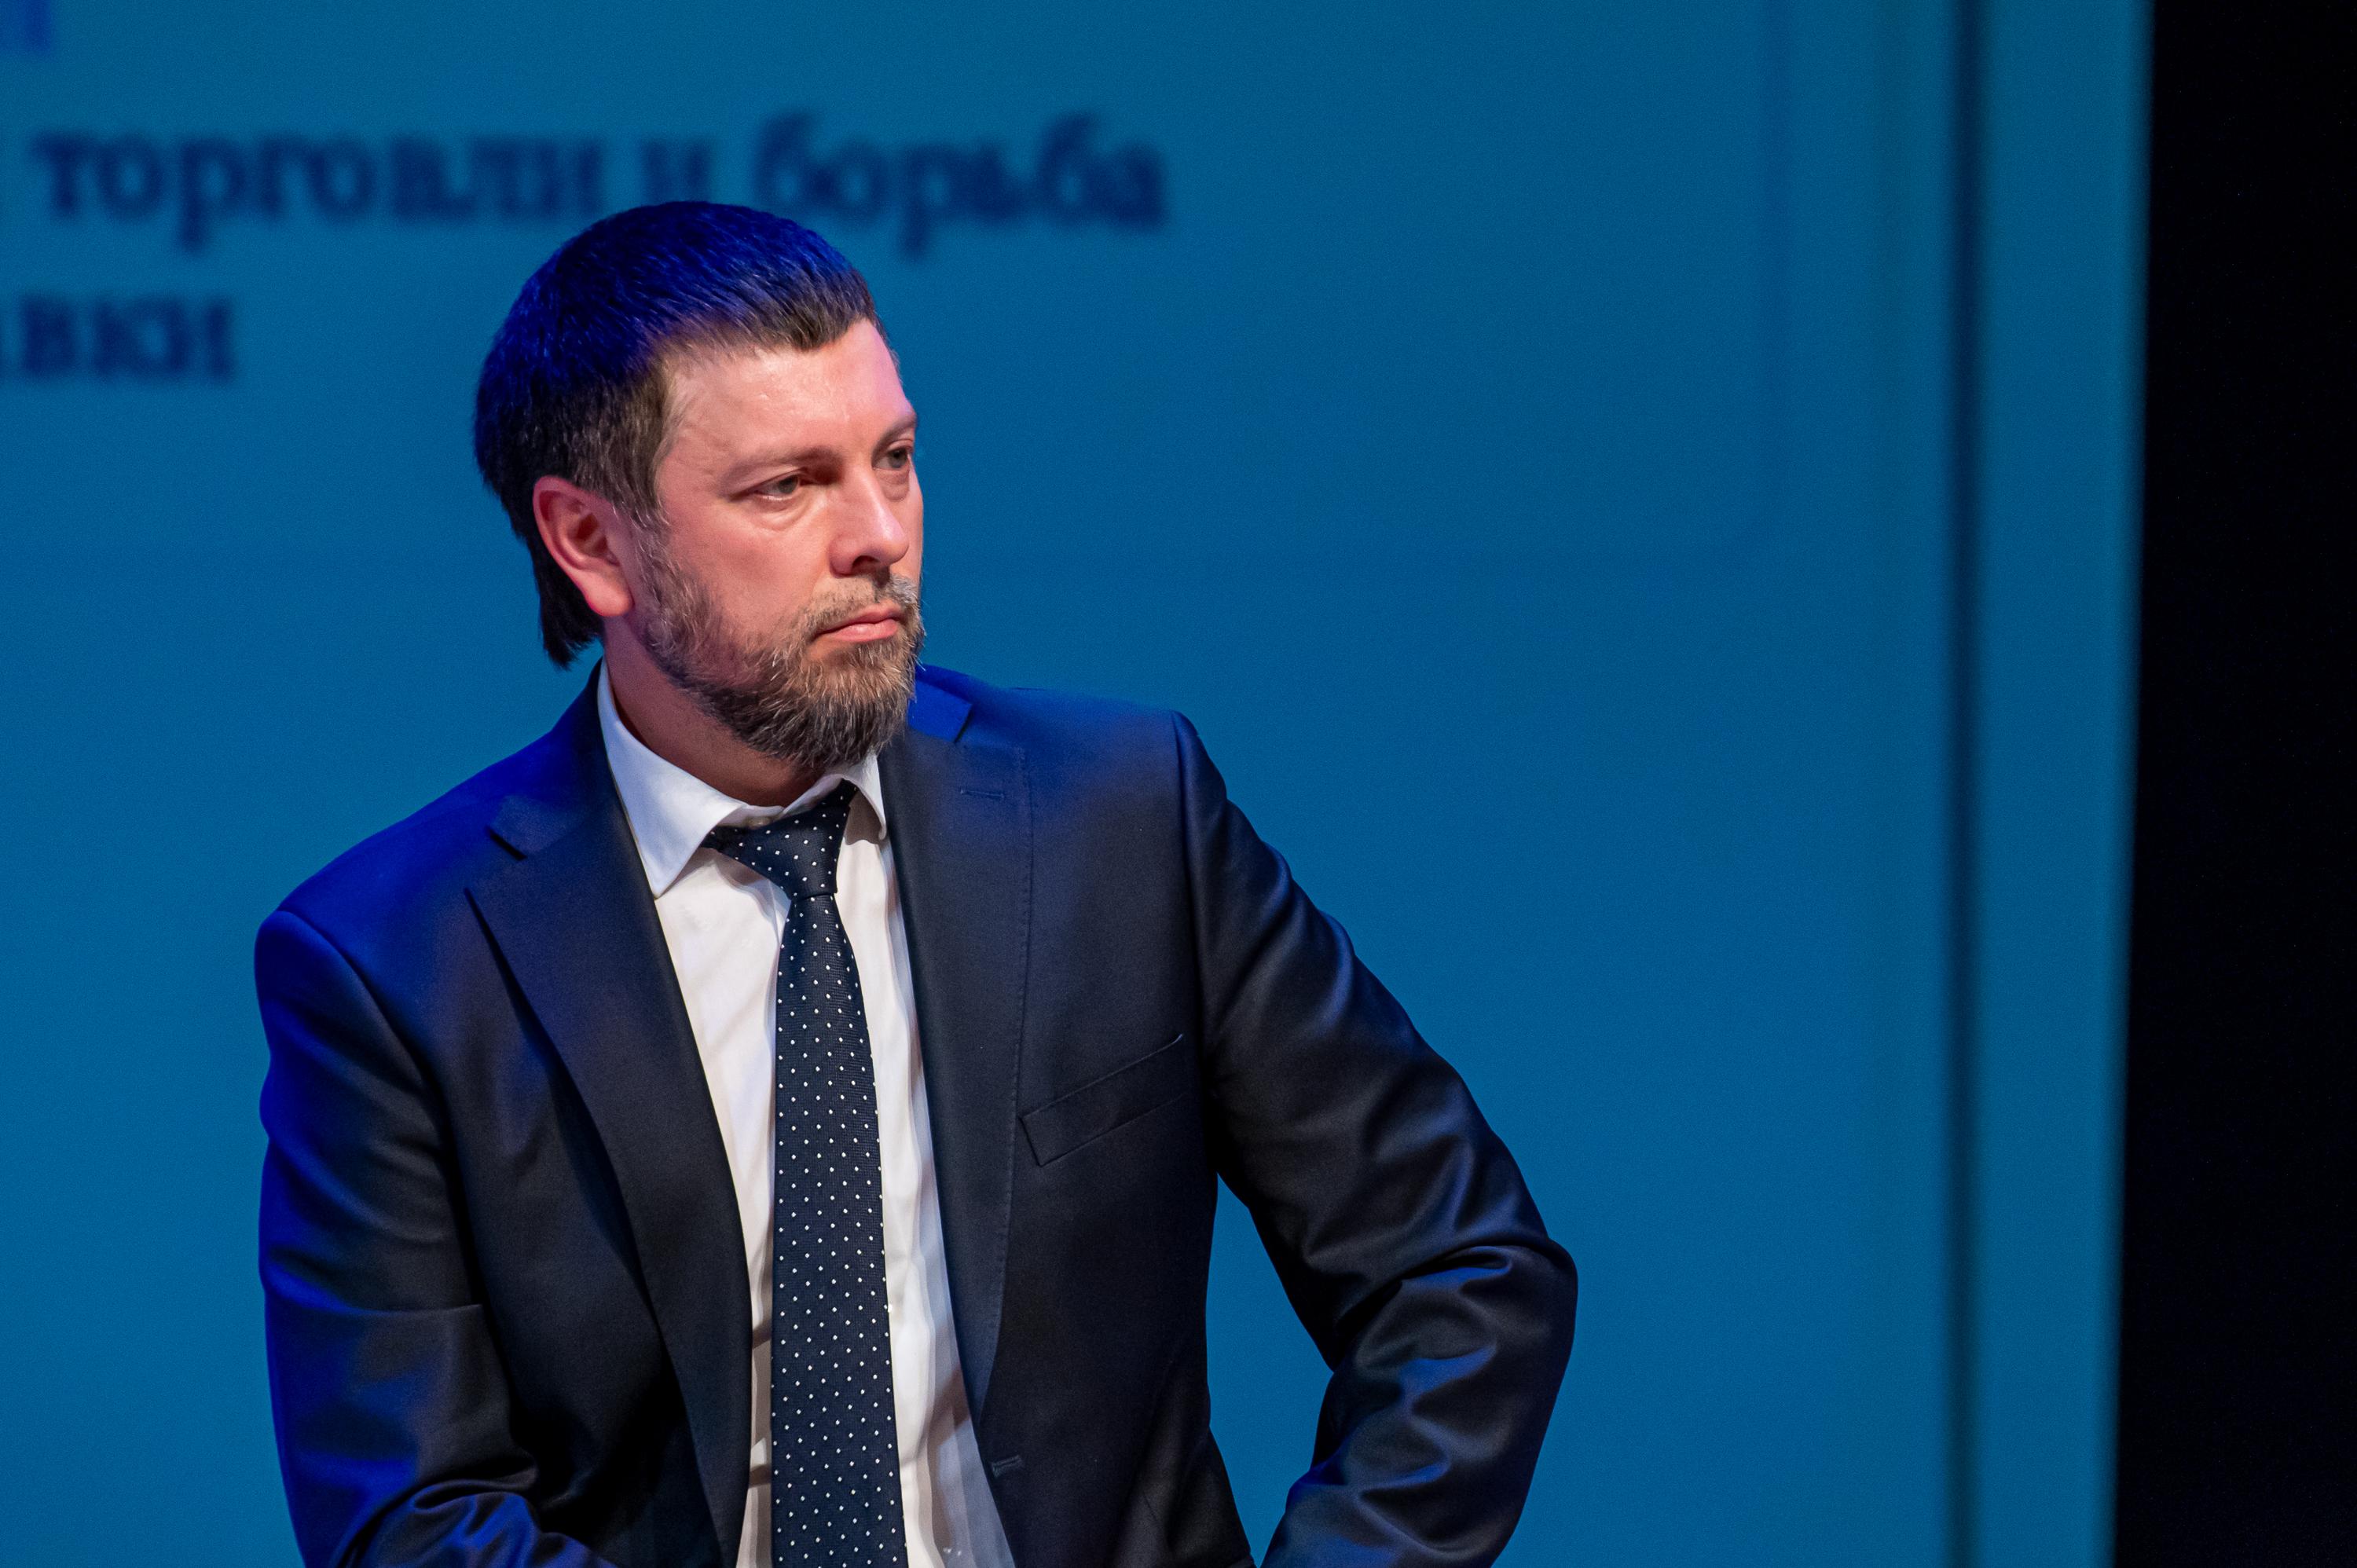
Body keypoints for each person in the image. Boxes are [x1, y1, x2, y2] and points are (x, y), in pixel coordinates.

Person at [255, 201, 1575, 1568]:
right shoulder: (394, 965)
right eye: (788, 487)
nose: (880, 533)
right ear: (591, 542)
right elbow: (411, 1517)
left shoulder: (1124, 819)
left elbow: (1461, 1270)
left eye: (895, 458)